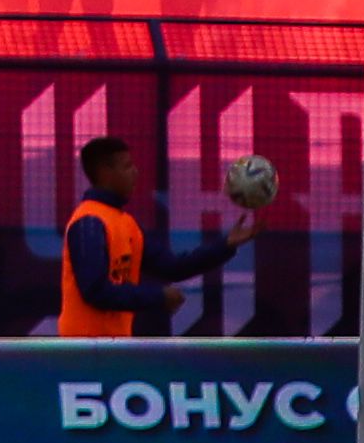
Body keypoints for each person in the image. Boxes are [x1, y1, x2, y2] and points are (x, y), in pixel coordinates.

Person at [57, 131, 246, 337]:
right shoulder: (89, 222)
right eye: (127, 166)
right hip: (83, 352)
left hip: (112, 348)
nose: (136, 172)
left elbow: (173, 267)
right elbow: (95, 290)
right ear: (105, 172)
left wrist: (226, 245)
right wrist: (158, 296)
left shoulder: (126, 223)